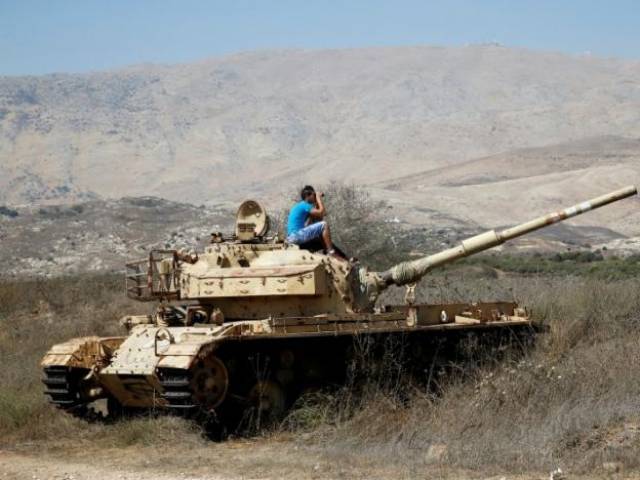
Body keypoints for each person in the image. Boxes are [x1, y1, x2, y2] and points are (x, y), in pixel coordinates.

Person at [286, 185, 337, 256]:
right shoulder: (305, 205)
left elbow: (312, 223)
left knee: (319, 235)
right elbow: (322, 212)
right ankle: (331, 252)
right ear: (307, 196)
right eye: (314, 195)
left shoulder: (299, 206)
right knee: (324, 225)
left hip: (292, 238)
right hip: (297, 236)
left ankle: (335, 254)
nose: (315, 196)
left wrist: (316, 204)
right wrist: (319, 198)